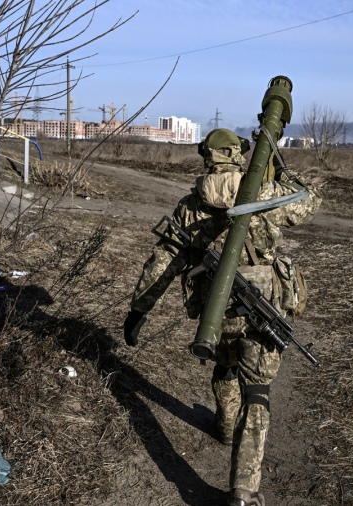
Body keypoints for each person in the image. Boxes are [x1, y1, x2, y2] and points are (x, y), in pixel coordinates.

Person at [123, 128, 321, 505]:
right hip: (264, 302)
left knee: (225, 362)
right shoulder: (263, 195)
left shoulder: (192, 205)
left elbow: (165, 260)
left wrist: (138, 310)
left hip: (216, 308)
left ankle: (226, 426)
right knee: (257, 390)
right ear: (239, 154)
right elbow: (310, 201)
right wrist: (281, 169)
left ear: (206, 157)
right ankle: (243, 490)